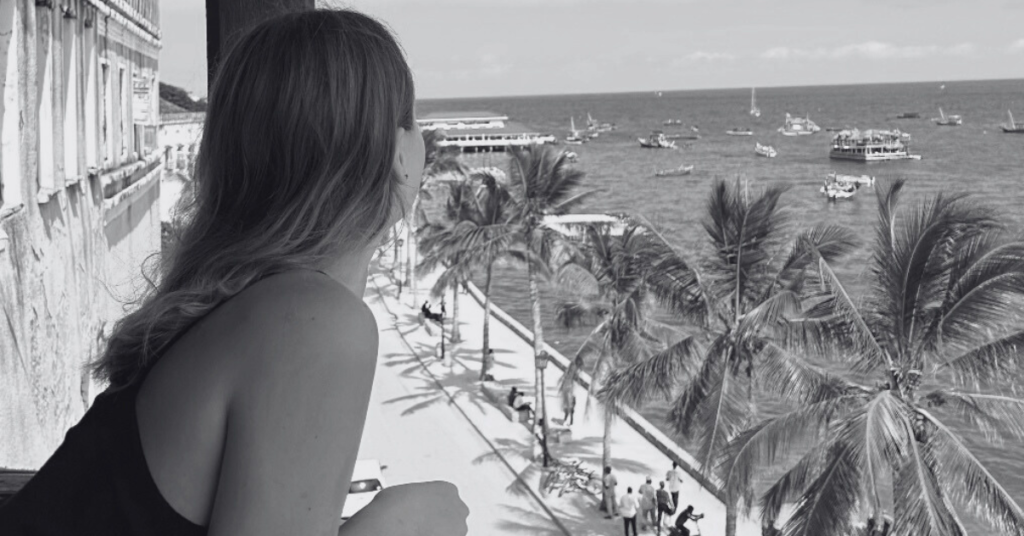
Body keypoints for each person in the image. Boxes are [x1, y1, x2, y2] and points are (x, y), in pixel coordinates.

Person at [0, 9, 470, 536]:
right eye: (415, 120)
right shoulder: (314, 323)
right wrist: (390, 527)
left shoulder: (237, 308)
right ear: (398, 153)